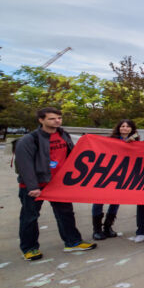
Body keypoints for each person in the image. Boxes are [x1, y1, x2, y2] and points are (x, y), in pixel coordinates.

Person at [15, 107, 97, 260]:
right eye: (52, 118)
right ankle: (29, 248)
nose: (57, 121)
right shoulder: (29, 139)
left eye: (59, 118)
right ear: (41, 120)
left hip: (58, 184)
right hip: (35, 185)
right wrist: (33, 187)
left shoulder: (63, 135)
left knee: (65, 213)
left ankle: (72, 242)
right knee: (30, 217)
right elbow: (24, 165)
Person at [93, 119, 139, 240]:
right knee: (98, 200)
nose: (125, 128)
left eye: (128, 126)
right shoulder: (110, 140)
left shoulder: (136, 142)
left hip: (122, 175)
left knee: (115, 201)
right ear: (118, 128)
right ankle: (97, 229)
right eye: (122, 126)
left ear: (132, 129)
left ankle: (108, 227)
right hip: (106, 174)